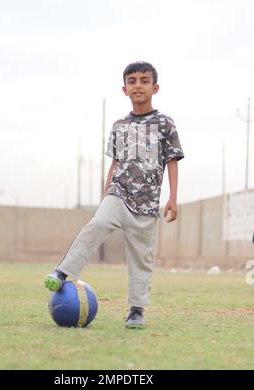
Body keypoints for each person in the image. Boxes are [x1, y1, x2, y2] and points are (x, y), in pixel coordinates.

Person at [44, 61, 184, 329]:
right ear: (124, 89)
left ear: (155, 87)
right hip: (118, 193)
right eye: (132, 81)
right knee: (96, 224)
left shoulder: (165, 123)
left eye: (144, 80)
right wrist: (106, 193)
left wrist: (173, 198)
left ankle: (136, 310)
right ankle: (62, 272)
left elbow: (173, 160)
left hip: (147, 203)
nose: (138, 85)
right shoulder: (119, 125)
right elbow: (115, 162)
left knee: (141, 258)